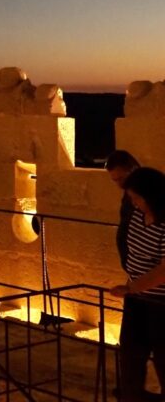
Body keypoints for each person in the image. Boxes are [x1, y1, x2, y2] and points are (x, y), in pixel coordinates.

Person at [109, 167, 165, 402]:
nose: (134, 202)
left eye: (137, 197)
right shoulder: (137, 216)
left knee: (163, 356)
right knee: (131, 353)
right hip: (137, 299)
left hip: (160, 302)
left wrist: (132, 288)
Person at [106, 151, 141, 270]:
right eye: (115, 180)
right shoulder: (128, 193)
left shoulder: (146, 196)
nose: (119, 184)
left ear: (133, 169)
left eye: (121, 178)